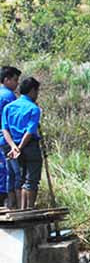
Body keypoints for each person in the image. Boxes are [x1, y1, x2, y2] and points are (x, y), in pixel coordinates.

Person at [1, 77, 42, 209]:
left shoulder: (9, 107)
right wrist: (19, 147)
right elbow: (30, 131)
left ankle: (19, 208)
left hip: (12, 146)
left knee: (20, 178)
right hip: (29, 146)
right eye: (37, 91)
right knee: (31, 180)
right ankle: (28, 208)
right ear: (32, 91)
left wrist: (13, 147)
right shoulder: (34, 109)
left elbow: (5, 129)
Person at [0, 66, 20, 208]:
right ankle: (11, 204)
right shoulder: (8, 96)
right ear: (6, 80)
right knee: (12, 172)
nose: (17, 84)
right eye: (15, 80)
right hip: (5, 139)